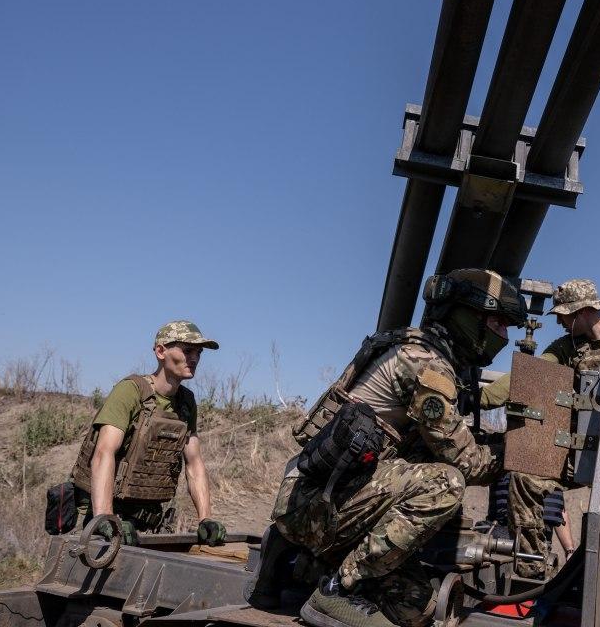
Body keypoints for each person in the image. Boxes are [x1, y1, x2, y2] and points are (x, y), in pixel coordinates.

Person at [258, 268, 526, 627]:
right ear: (467, 315)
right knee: (444, 483)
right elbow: (468, 463)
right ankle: (337, 590)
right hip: (319, 503)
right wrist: (520, 449)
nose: (504, 336)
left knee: (417, 607)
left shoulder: (407, 346)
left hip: (323, 495)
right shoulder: (426, 366)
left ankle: (298, 559)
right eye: (498, 322)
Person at [479, 278, 600, 579]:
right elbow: (528, 377)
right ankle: (530, 570)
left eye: (564, 316)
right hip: (582, 452)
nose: (561, 323)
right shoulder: (567, 348)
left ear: (580, 312)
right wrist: (481, 398)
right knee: (526, 478)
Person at [70, 320, 226, 547]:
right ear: (161, 351)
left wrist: (205, 518)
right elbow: (104, 453)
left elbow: (194, 463)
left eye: (199, 352)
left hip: (144, 520)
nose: (194, 358)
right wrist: (104, 517)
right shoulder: (131, 391)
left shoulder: (186, 403)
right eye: (187, 350)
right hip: (99, 515)